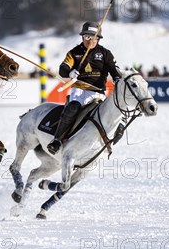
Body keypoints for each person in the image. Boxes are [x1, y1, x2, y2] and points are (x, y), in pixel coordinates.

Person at [47, 21, 121, 155]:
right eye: (87, 37)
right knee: (73, 108)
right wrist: (69, 72)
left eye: (94, 38)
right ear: (82, 37)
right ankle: (57, 140)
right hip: (80, 91)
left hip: (98, 93)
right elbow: (63, 68)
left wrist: (117, 78)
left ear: (98, 39)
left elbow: (114, 69)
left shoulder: (105, 53)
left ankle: (112, 138)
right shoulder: (74, 53)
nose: (90, 41)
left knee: (114, 111)